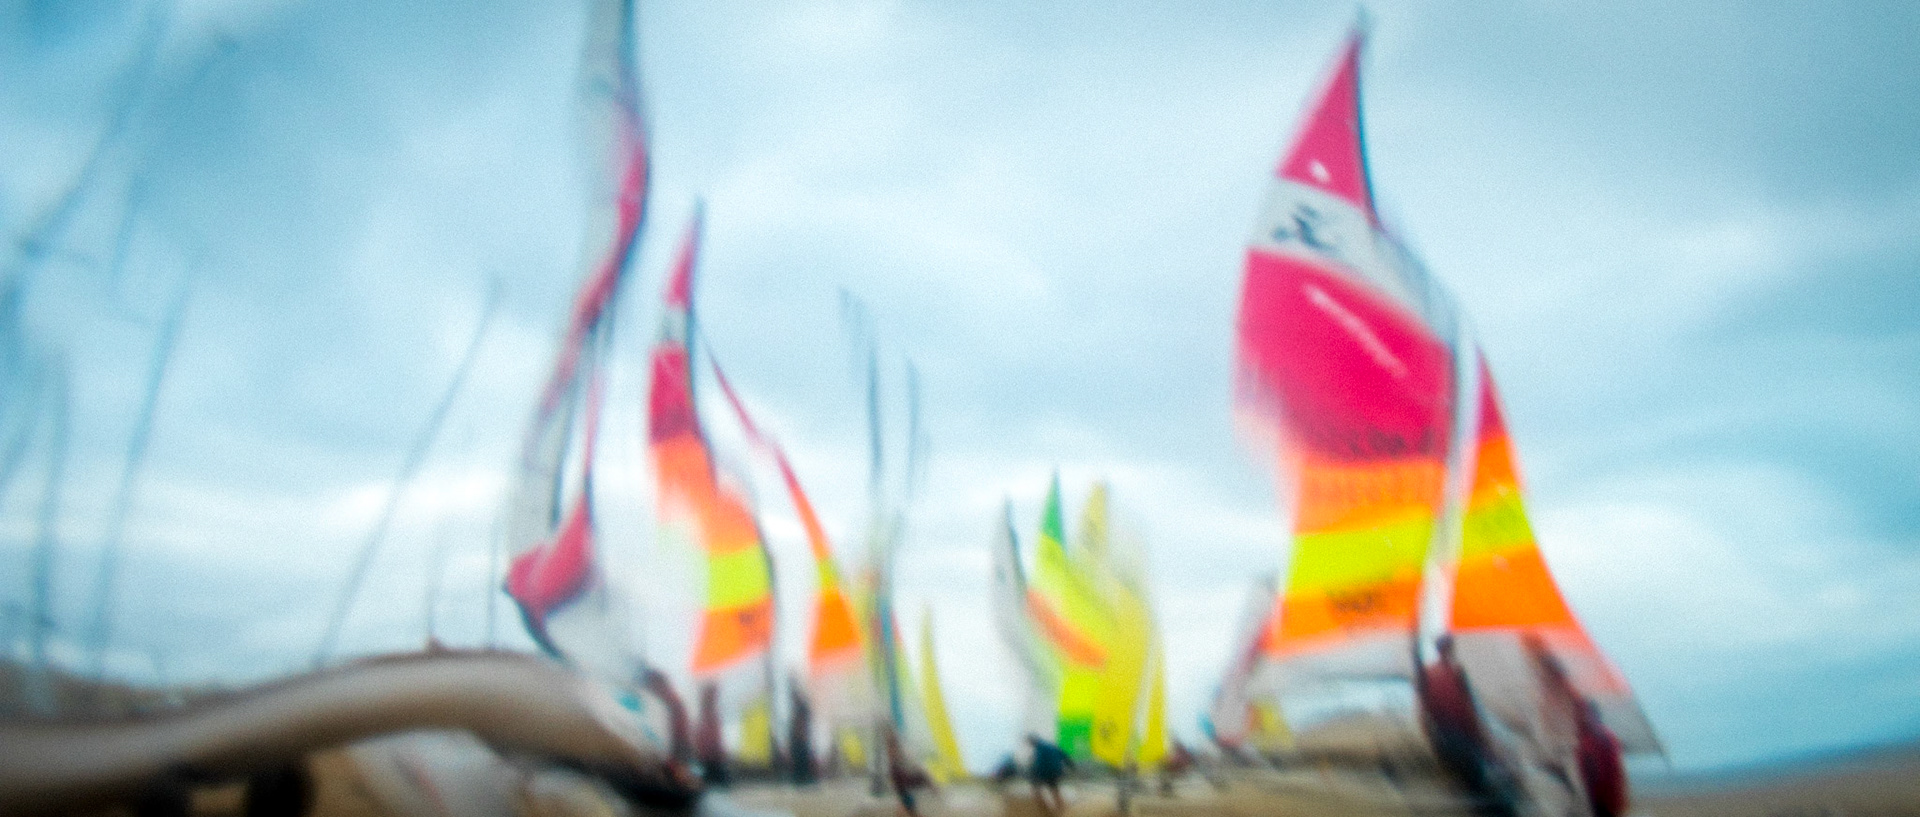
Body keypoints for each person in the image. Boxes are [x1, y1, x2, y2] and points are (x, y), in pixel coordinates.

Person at [1418, 635, 1507, 814]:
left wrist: (1433, 739)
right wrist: (1484, 743)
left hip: (1444, 737)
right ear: (1450, 649)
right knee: (1481, 793)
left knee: (1465, 792)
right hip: (1460, 736)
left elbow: (1424, 712)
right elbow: (1467, 709)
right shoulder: (1456, 672)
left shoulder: (1428, 673)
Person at [1027, 734, 1074, 816]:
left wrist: (1033, 774)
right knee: (1055, 791)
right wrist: (1071, 766)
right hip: (1056, 771)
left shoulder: (1039, 749)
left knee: (1036, 791)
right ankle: (1062, 811)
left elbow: (1039, 763)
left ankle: (1045, 812)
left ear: (1032, 742)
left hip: (1046, 772)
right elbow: (1064, 755)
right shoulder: (1050, 745)